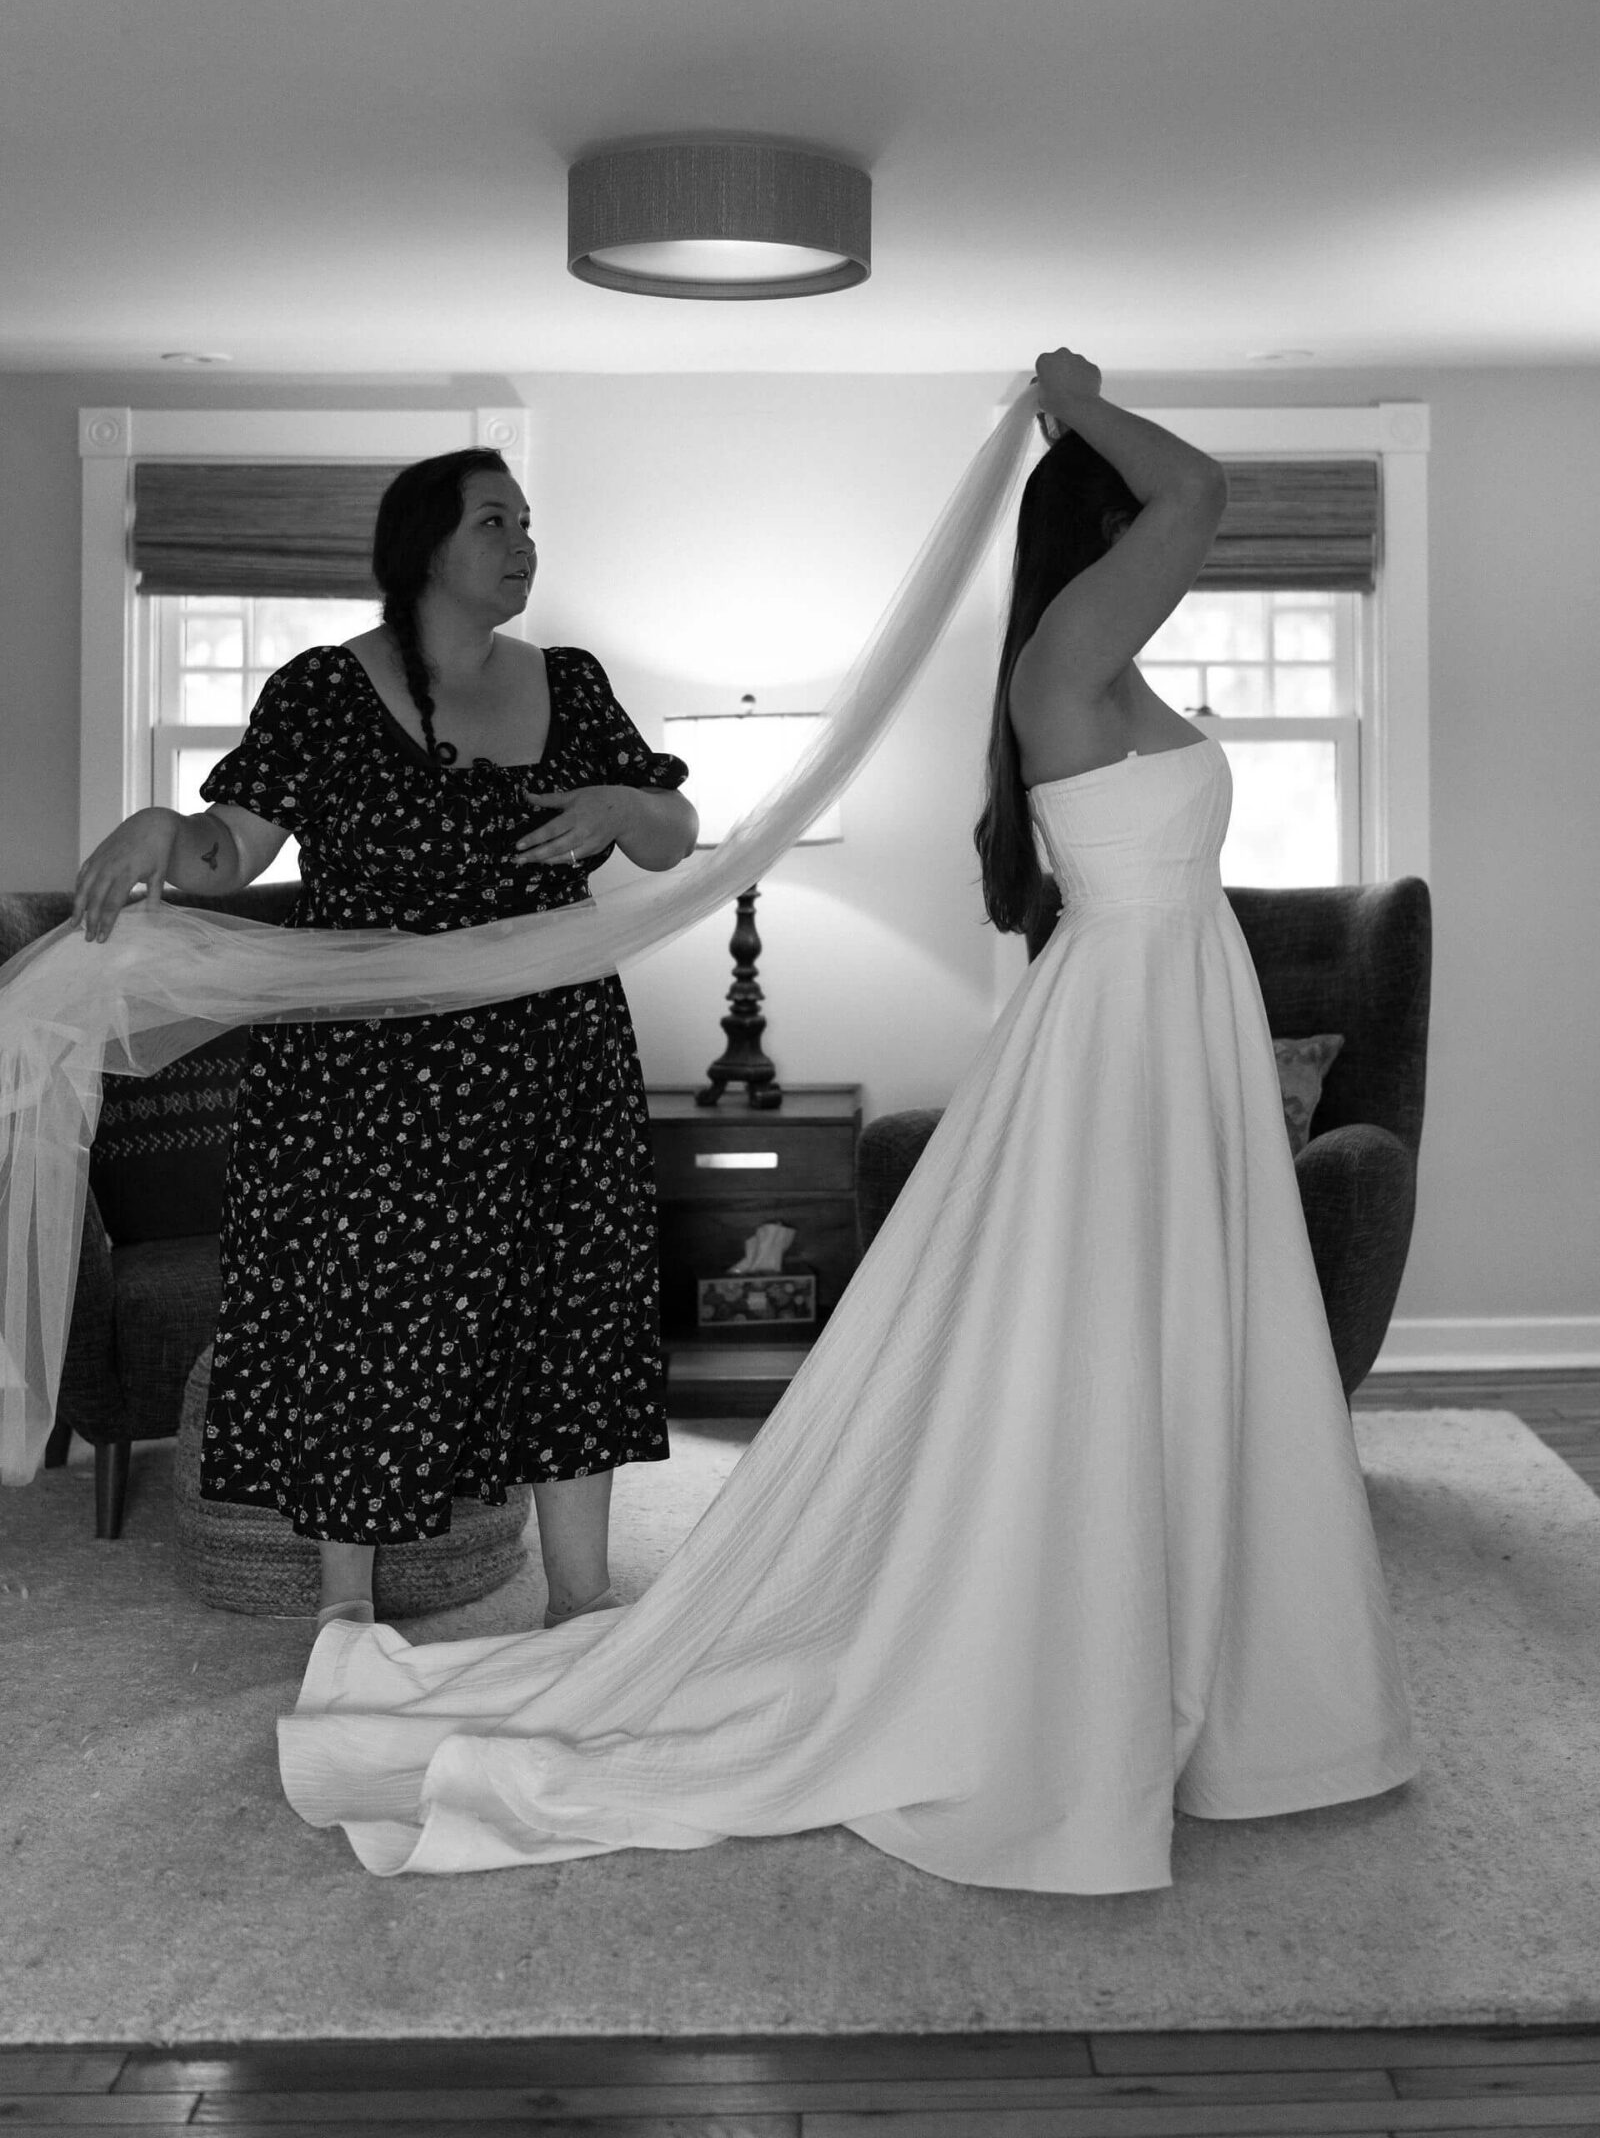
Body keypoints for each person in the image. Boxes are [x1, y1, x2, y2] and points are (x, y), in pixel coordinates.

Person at [276, 354, 1417, 1892]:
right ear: (1108, 529)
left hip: (1157, 1015)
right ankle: (1095, 1662)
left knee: (1168, 1346)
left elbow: (660, 817)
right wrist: (1071, 401)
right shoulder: (1074, 647)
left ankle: (1191, 1655)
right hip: (1132, 1028)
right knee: (1111, 1350)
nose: (1177, 539)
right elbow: (1197, 489)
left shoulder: (1088, 657)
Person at [71, 448, 698, 1631]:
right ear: (424, 548)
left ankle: (581, 1602)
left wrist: (626, 807)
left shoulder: (571, 680)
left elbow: (673, 835)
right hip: (367, 1079)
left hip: (554, 1064)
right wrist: (162, 824)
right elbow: (228, 854)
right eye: (494, 520)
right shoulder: (322, 689)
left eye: (528, 520)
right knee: (362, 1329)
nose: (523, 541)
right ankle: (347, 1618)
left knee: (568, 1309)